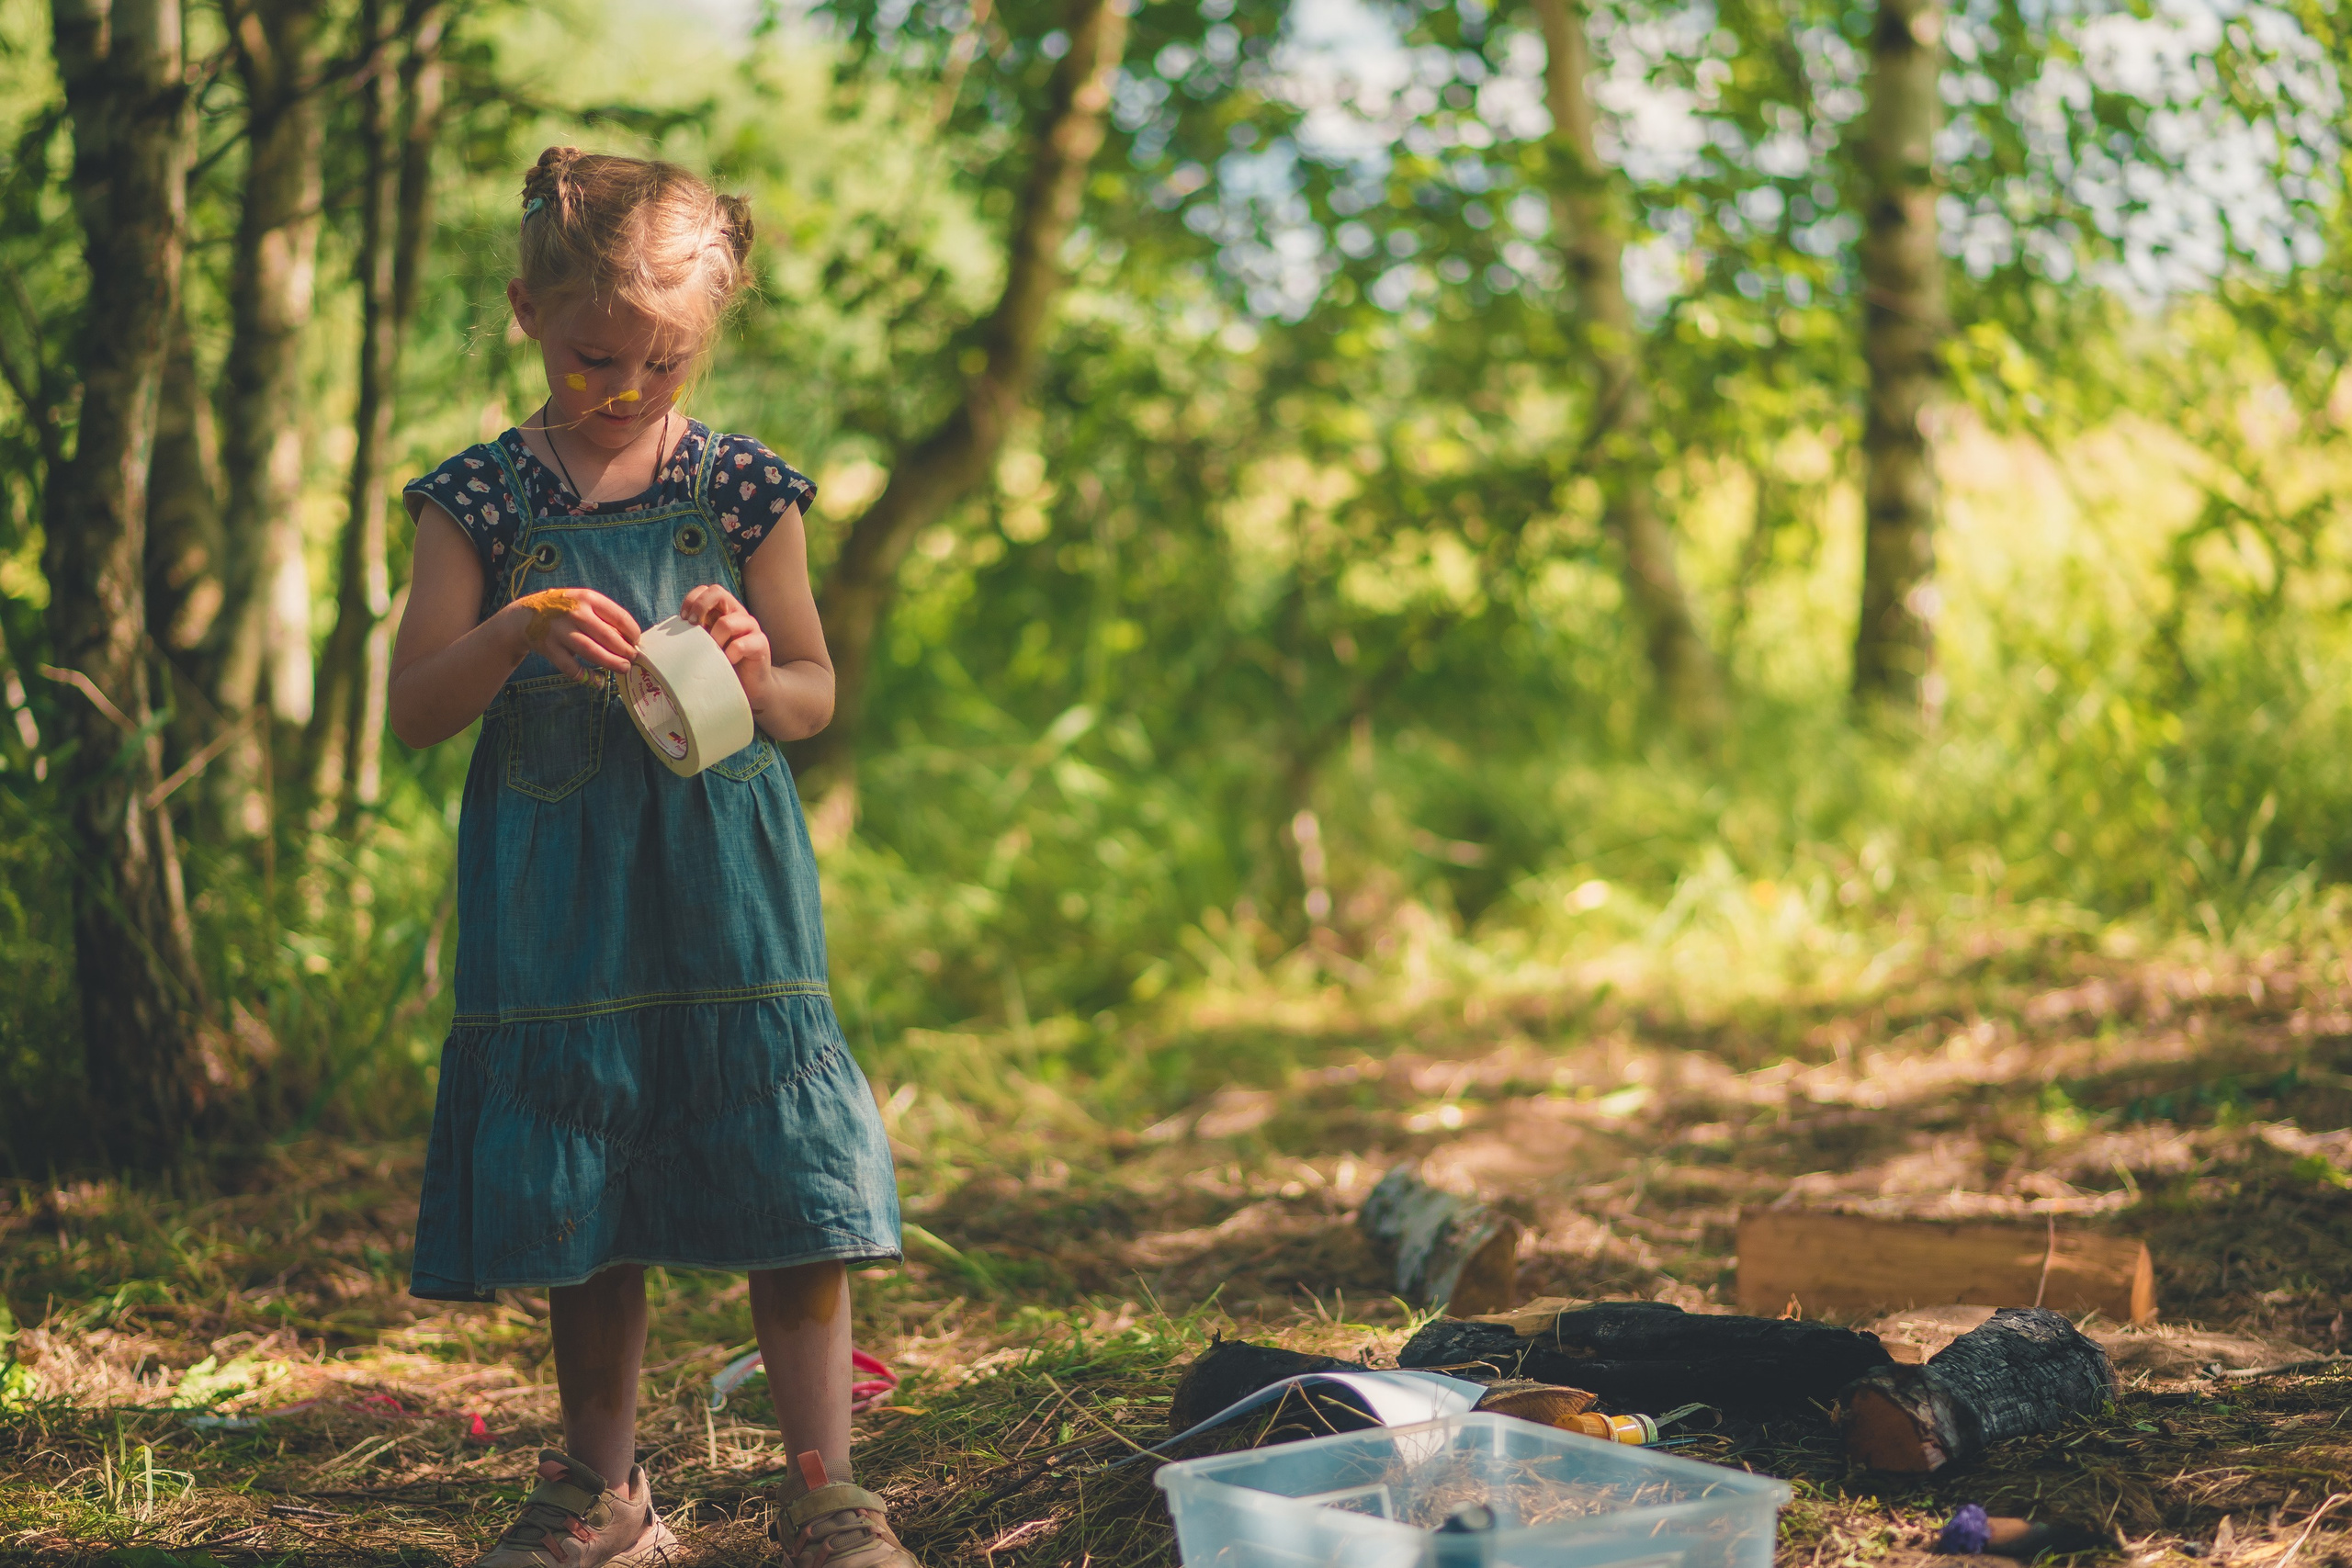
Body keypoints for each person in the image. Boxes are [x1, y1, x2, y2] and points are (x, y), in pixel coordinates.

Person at [388, 146, 922, 1568]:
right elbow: (413, 712)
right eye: (592, 359)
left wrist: (754, 660)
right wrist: (510, 632)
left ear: (705, 340)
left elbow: (809, 698)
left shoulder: (744, 492)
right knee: (589, 1196)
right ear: (526, 313)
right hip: (562, 928)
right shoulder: (479, 502)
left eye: (660, 364)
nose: (624, 390)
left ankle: (825, 1490)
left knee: (786, 1179)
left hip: (729, 913)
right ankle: (604, 1494)